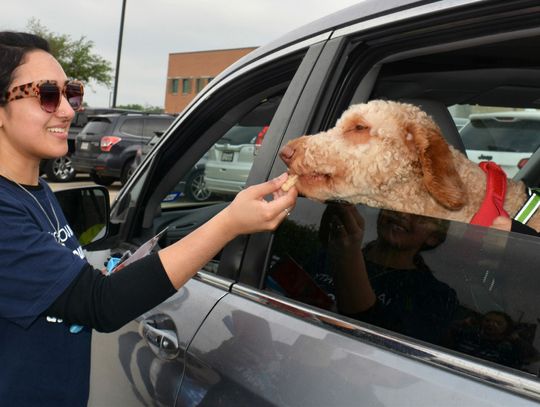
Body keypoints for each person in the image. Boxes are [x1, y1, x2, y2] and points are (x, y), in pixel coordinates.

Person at [0, 31, 297, 406]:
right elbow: (100, 305)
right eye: (46, 95)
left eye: (70, 92)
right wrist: (230, 222)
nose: (68, 110)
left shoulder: (37, 192)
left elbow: (76, 290)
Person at [320, 203, 458, 345]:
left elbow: (385, 345)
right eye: (396, 201)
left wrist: (348, 254)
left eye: (420, 213)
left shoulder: (436, 296)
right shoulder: (329, 254)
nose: (403, 214)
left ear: (434, 237)